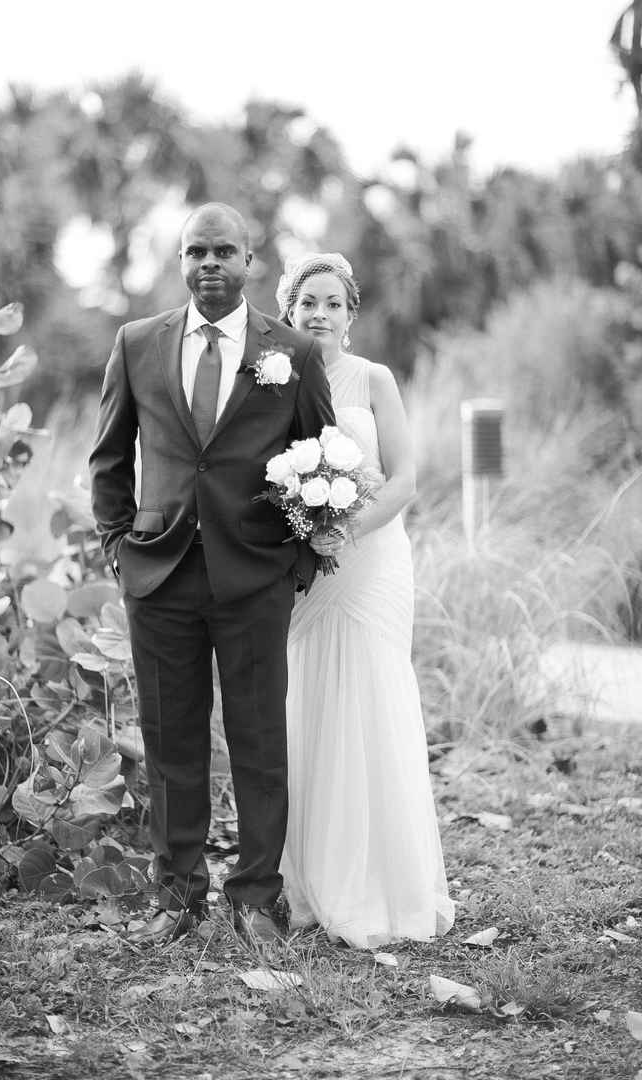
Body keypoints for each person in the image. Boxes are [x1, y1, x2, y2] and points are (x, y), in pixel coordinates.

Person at [89, 205, 334, 945]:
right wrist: (118, 546)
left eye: (224, 251)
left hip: (253, 577)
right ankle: (178, 895)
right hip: (160, 576)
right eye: (196, 251)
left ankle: (257, 898)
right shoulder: (136, 344)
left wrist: (297, 560)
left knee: (259, 739)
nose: (210, 264)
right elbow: (108, 456)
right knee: (171, 742)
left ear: (250, 261)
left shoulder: (289, 351)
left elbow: (324, 458)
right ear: (181, 261)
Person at [277, 252, 455, 949]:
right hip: (306, 571)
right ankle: (312, 878)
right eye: (305, 302)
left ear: (351, 313)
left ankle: (386, 880)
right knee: (312, 701)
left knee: (376, 697)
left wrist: (342, 529)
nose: (317, 313)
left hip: (372, 560)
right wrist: (305, 533)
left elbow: (406, 479)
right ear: (289, 313)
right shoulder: (276, 381)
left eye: (331, 302)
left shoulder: (374, 379)